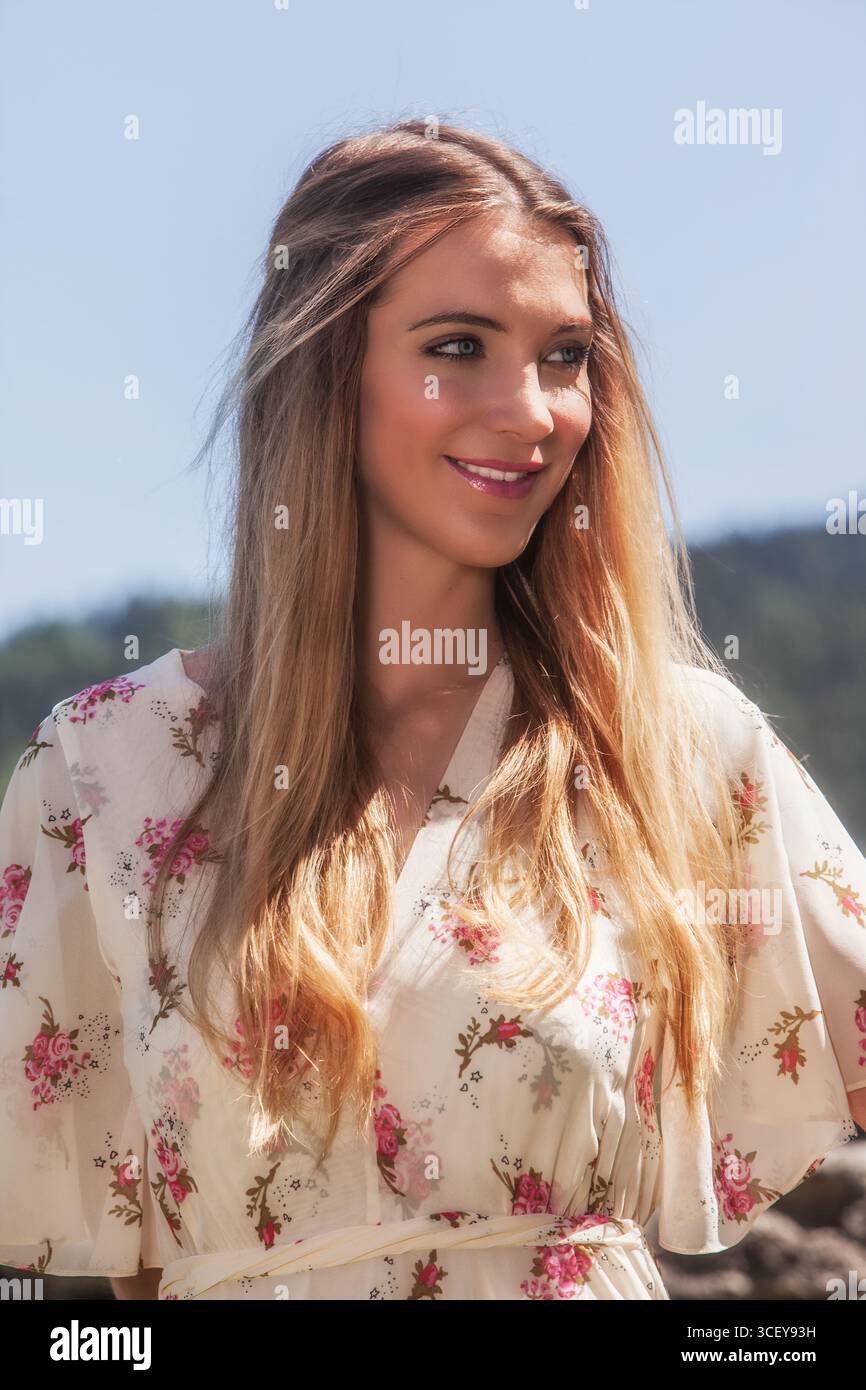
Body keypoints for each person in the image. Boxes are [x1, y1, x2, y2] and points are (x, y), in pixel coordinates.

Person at [1, 119, 864, 1302]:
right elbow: (110, 1272)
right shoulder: (100, 769)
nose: (531, 412)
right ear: (319, 369)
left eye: (564, 357)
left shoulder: (675, 751)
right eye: (457, 345)